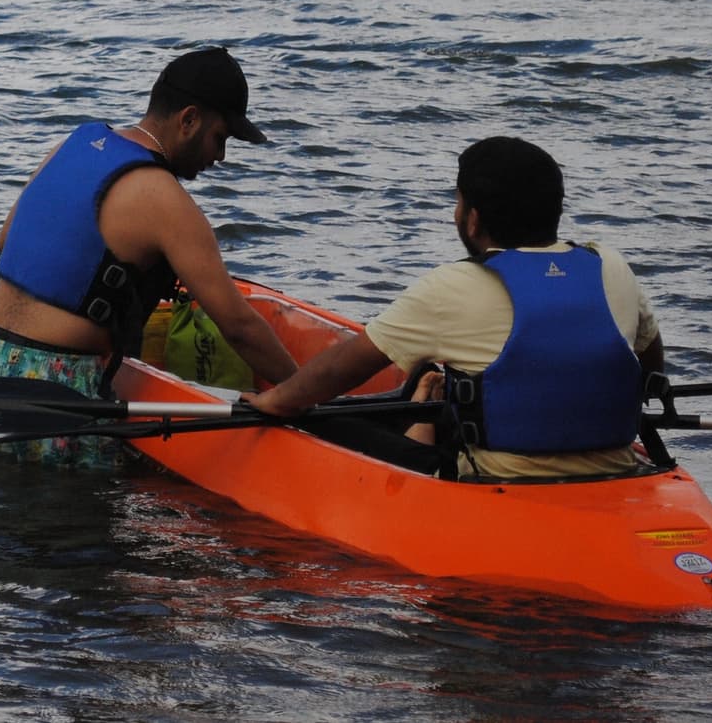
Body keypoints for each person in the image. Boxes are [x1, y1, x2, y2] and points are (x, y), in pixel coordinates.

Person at [248, 136, 662, 480]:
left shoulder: (454, 286)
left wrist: (278, 401)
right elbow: (649, 355)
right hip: (617, 466)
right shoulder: (609, 265)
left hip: (498, 480)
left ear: (473, 220)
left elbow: (343, 368)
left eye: (458, 202)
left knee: (315, 416)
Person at [0, 47, 300, 466]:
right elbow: (238, 327)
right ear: (189, 120)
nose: (221, 156)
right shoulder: (164, 197)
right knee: (81, 527)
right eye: (221, 137)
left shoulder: (75, 142)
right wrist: (305, 393)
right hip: (59, 382)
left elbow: (4, 242)